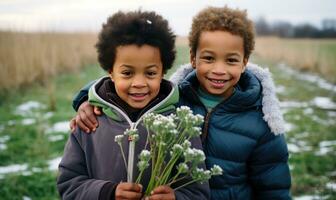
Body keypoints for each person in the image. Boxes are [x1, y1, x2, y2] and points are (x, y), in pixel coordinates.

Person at [71, 6, 292, 200]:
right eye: (208, 58)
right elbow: (129, 79)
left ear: (245, 62)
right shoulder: (173, 99)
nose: (219, 70)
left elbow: (274, 188)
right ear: (193, 58)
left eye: (231, 60)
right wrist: (87, 100)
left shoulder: (262, 120)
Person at [57, 10, 210, 200]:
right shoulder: (89, 122)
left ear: (163, 71)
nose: (139, 83)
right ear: (110, 72)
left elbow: (198, 192)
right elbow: (68, 184)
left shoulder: (181, 126)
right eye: (127, 73)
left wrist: (176, 197)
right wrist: (107, 193)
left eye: (151, 73)